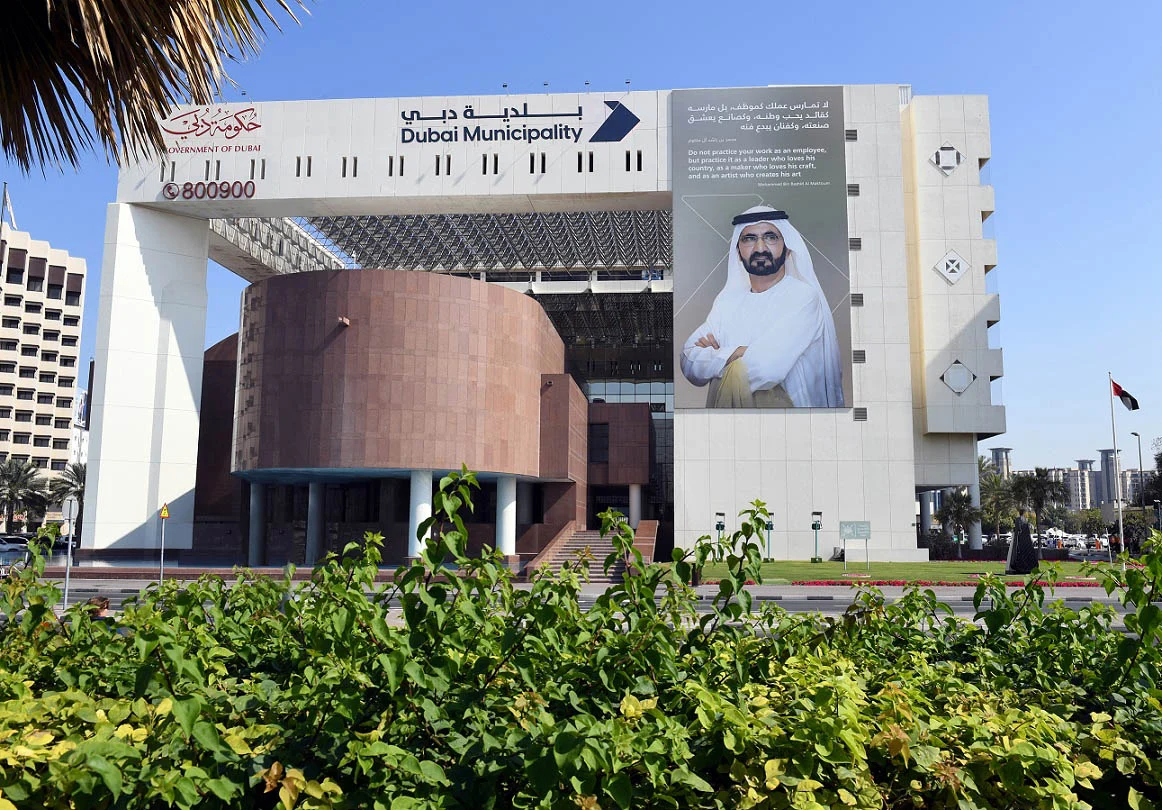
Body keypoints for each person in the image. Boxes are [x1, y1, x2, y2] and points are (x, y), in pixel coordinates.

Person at [680, 206, 844, 408]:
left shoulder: (802, 296)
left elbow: (766, 369)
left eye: (771, 237)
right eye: (749, 239)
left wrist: (718, 355)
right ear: (738, 251)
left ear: (788, 249)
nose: (760, 248)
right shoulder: (726, 302)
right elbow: (688, 361)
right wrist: (740, 352)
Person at [1006, 507, 1038, 575]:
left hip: (1023, 539)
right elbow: (1019, 528)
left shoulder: (1023, 520)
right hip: (1021, 539)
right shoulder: (1021, 520)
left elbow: (1021, 528)